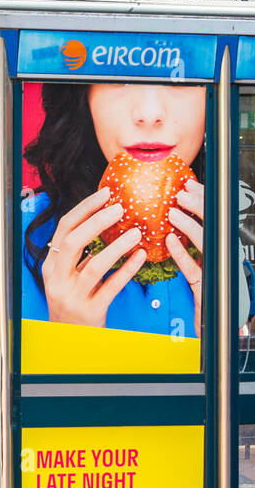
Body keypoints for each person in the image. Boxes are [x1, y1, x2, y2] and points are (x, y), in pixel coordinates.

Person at [22, 82, 206, 338]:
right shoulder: (11, 239)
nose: (149, 114)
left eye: (180, 80)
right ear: (84, 95)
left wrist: (219, 349)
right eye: (122, 78)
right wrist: (69, 342)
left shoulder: (227, 236)